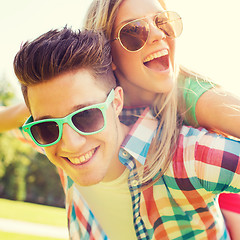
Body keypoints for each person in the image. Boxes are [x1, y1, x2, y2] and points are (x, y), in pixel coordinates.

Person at [13, 27, 240, 240]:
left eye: (86, 116)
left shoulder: (185, 158)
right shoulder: (57, 151)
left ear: (117, 101)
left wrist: (202, 98)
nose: (70, 144)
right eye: (47, 127)